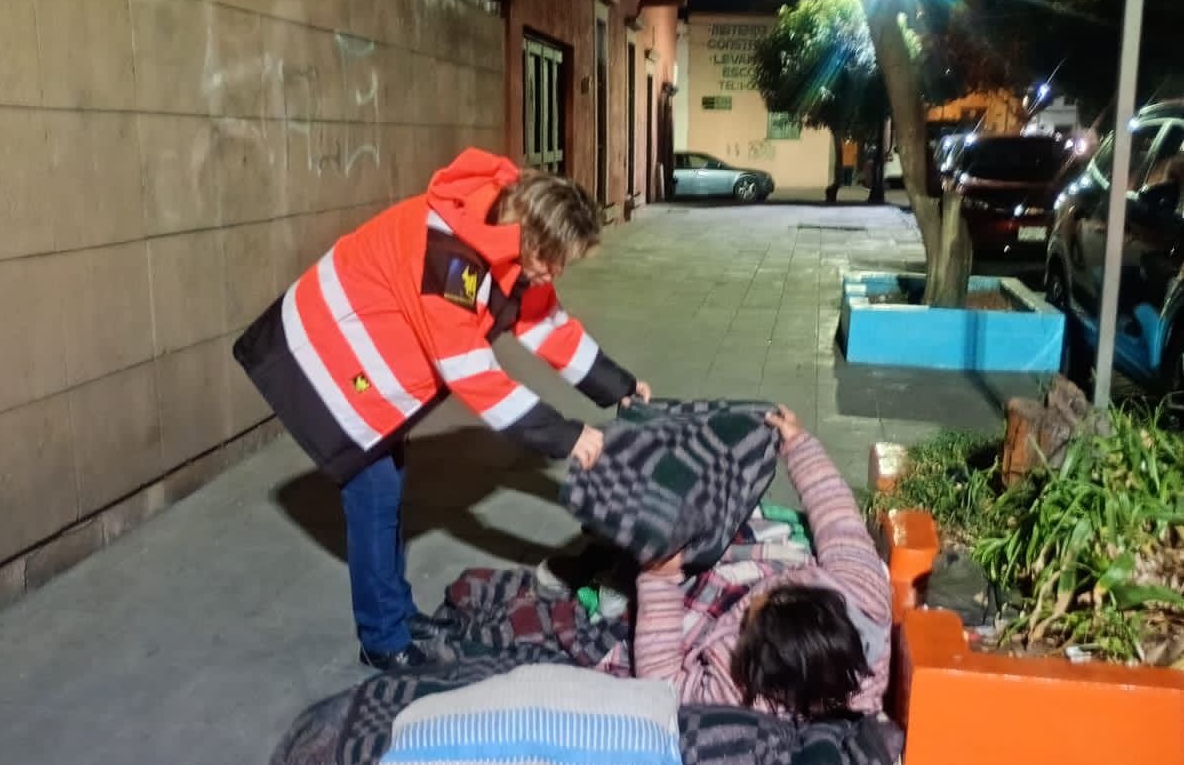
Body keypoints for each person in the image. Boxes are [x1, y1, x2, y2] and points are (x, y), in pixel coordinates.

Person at [234, 149, 649, 668]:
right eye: (554, 259)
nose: (557, 272)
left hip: (369, 357)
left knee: (386, 495)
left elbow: (547, 325)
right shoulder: (453, 259)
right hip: (331, 352)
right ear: (528, 233)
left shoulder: (503, 237)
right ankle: (383, 641)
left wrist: (620, 387)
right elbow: (476, 377)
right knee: (376, 496)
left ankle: (398, 615)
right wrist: (568, 436)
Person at [632, 405, 891, 719]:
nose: (756, 598)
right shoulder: (860, 594)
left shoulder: (738, 693)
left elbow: (661, 684)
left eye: (749, 620)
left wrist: (658, 580)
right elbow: (836, 515)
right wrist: (799, 446)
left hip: (708, 607)